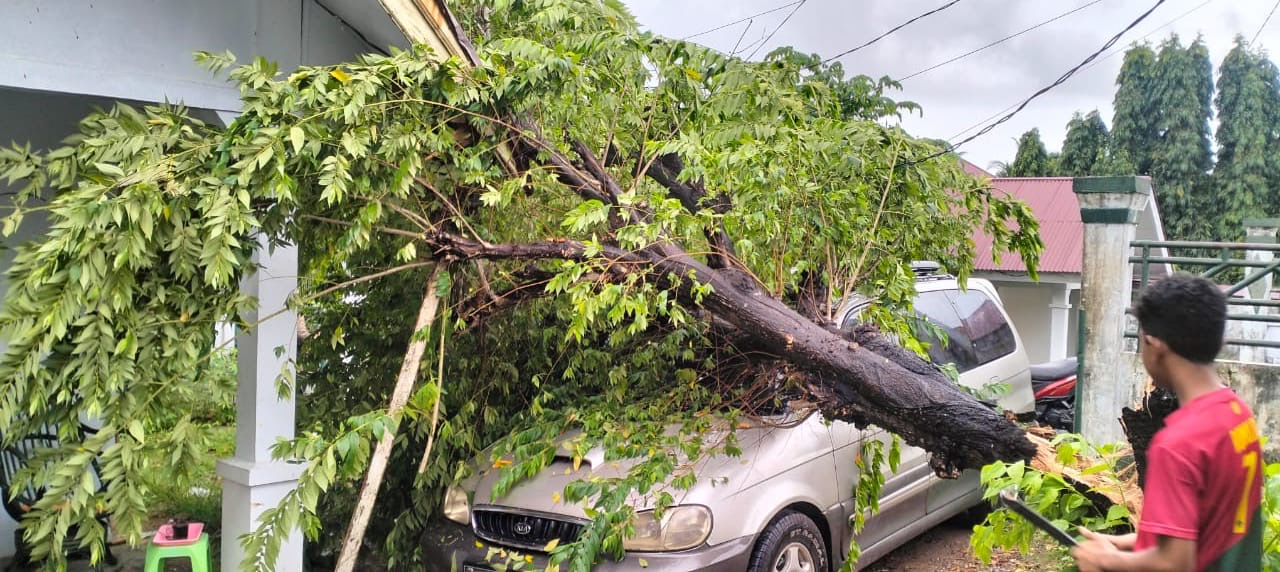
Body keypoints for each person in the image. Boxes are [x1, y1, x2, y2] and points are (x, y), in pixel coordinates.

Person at [1072, 273, 1263, 572]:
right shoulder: (1238, 416)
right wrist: (1139, 541)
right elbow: (1213, 527)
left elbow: (1174, 563)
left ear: (1154, 344)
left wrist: (1104, 559)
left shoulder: (1178, 443)